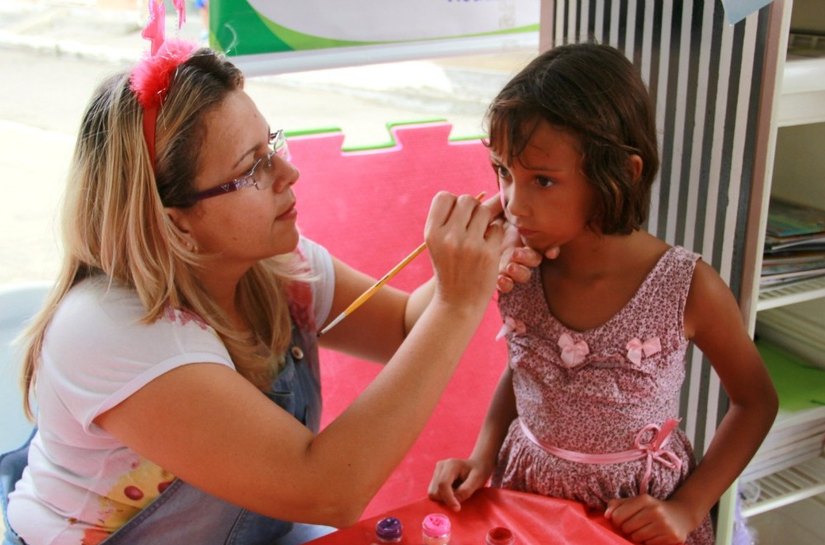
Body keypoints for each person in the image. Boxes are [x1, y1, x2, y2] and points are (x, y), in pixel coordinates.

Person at [0, 38, 516, 545]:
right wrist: (456, 303)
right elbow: (326, 490)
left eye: (273, 145)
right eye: (252, 168)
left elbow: (403, 330)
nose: (289, 173)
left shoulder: (273, 266)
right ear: (174, 222)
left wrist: (481, 257)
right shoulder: (112, 331)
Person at [427, 43, 778, 545]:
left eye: (543, 180)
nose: (512, 203)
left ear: (620, 173)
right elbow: (526, 366)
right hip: (527, 495)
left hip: (631, 516)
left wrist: (685, 508)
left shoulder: (687, 285)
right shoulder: (521, 267)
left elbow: (755, 402)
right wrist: (483, 454)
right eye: (504, 173)